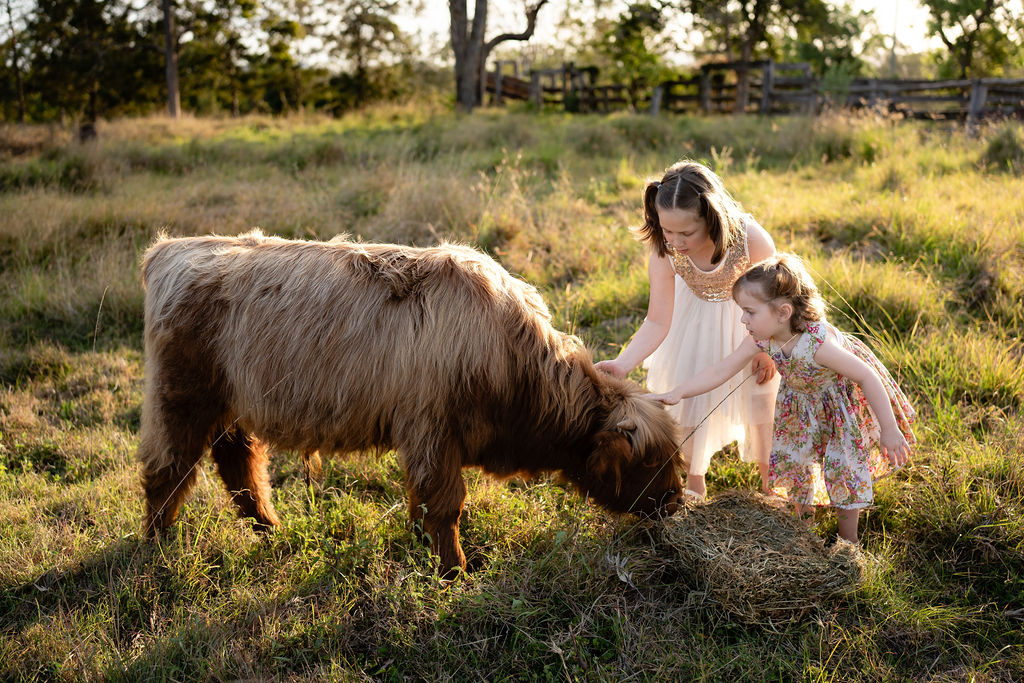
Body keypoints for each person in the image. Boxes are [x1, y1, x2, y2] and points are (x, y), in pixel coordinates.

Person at [646, 254, 916, 543]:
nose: (742, 319)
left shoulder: (817, 345)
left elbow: (866, 376)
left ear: (783, 312)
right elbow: (721, 369)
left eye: (749, 312)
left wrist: (889, 428)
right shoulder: (763, 338)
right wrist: (679, 391)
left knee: (843, 469)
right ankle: (804, 529)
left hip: (837, 407)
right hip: (800, 408)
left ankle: (848, 543)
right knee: (797, 463)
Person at [595, 161, 778, 500]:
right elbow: (657, 320)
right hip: (694, 327)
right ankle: (695, 482)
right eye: (668, 231)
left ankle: (772, 485)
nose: (675, 242)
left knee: (761, 404)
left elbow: (779, 301)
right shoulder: (665, 251)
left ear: (711, 218)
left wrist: (767, 350)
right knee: (689, 402)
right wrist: (623, 363)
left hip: (751, 328)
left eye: (686, 233)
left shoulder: (751, 240)